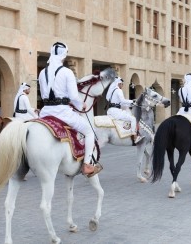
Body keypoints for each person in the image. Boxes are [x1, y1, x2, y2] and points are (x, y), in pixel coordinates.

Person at [38, 42, 97, 176]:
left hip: (45, 112)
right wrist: (81, 105)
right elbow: (73, 96)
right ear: (64, 55)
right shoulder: (67, 72)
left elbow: (42, 94)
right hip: (62, 113)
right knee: (89, 132)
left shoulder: (42, 72)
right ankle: (87, 164)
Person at [106, 77, 142, 143]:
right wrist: (133, 101)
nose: (122, 85)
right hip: (116, 111)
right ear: (119, 83)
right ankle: (134, 137)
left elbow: (121, 103)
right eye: (122, 84)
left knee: (127, 115)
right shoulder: (118, 90)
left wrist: (131, 104)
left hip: (110, 110)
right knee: (133, 119)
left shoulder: (112, 91)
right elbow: (123, 100)